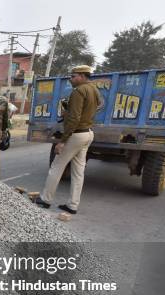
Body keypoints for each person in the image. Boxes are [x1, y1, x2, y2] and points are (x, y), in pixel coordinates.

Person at [35, 65, 103, 214]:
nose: (70, 79)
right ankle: (73, 205)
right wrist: (85, 113)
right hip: (88, 133)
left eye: (73, 76)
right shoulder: (94, 89)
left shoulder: (79, 91)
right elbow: (100, 105)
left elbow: (74, 118)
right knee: (78, 172)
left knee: (57, 166)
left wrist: (63, 141)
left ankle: (45, 199)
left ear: (82, 76)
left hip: (76, 134)